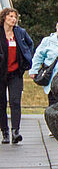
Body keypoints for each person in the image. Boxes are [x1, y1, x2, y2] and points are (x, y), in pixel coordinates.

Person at [1, 7, 34, 145]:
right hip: (1, 73)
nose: (13, 19)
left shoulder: (20, 32)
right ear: (4, 18)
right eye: (10, 17)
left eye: (15, 17)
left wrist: (26, 59)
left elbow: (30, 44)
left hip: (15, 73)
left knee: (15, 102)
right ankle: (5, 132)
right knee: (1, 103)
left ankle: (16, 131)